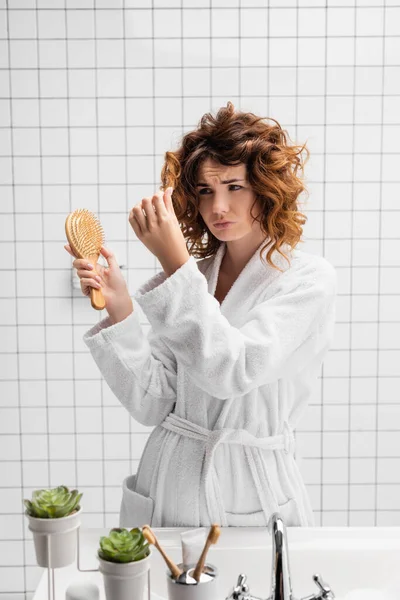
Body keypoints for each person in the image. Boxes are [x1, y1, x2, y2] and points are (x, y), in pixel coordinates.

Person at [64, 101, 337, 527]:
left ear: (266, 189)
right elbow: (153, 403)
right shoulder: (198, 278)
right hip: (170, 478)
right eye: (206, 191)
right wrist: (120, 307)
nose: (218, 207)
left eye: (234, 187)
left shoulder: (307, 281)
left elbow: (234, 370)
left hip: (249, 483)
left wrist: (174, 264)